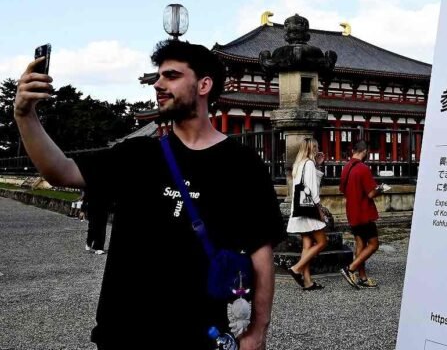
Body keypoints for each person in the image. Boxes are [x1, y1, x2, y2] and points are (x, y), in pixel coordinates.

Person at [13, 40, 285, 350]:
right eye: (158, 76)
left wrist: (258, 329)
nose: (157, 84)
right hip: (125, 332)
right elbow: (60, 170)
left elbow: (260, 252)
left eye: (171, 75)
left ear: (204, 84)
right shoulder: (136, 155)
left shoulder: (242, 164)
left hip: (201, 335)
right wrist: (25, 116)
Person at [339, 140, 384, 289]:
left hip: (352, 211)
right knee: (373, 244)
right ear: (364, 151)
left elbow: (342, 189)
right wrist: (380, 189)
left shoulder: (346, 167)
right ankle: (350, 268)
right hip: (364, 212)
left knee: (360, 244)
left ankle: (362, 277)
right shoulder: (363, 168)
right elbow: (371, 193)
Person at [285, 137, 328, 291]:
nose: (317, 149)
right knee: (323, 242)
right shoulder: (309, 164)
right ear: (311, 148)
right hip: (309, 209)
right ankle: (297, 268)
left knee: (307, 244)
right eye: (315, 146)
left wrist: (318, 165)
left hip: (299, 209)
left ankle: (308, 281)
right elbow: (312, 190)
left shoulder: (299, 164)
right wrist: (320, 210)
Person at [83, 188, 108, 255]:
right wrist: (83, 210)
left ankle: (99, 247)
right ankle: (89, 242)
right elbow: (86, 197)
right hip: (93, 208)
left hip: (104, 209)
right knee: (92, 227)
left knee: (102, 228)